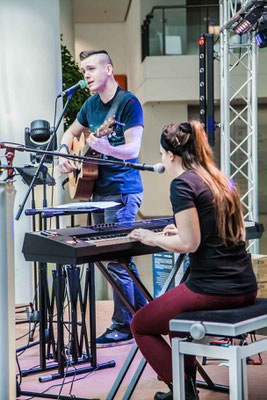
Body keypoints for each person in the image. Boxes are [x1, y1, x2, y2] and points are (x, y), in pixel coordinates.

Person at [129, 120, 258, 400]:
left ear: (171, 156)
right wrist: (184, 229)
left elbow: (189, 244)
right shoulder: (219, 178)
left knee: (140, 324)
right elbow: (216, 228)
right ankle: (184, 387)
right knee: (179, 322)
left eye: (162, 155)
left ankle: (183, 390)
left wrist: (153, 238)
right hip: (245, 285)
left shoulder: (182, 184)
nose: (161, 159)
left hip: (214, 290)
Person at [58, 50, 147, 347]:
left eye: (92, 68)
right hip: (96, 192)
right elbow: (69, 134)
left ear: (109, 69)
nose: (86, 74)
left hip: (122, 191)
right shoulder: (89, 104)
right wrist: (65, 155)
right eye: (84, 69)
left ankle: (124, 325)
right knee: (114, 258)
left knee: (116, 261)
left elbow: (133, 150)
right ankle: (143, 316)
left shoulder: (128, 103)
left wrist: (106, 147)